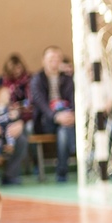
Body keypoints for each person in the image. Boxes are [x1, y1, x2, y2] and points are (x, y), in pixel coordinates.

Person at [28, 47, 75, 184]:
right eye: (51, 59)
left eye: (57, 59)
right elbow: (40, 103)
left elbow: (74, 98)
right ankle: (73, 151)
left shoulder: (68, 78)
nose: (54, 62)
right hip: (45, 121)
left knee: (64, 132)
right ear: (44, 61)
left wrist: (72, 115)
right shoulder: (36, 79)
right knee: (64, 128)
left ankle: (62, 172)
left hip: (66, 118)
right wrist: (56, 116)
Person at [0, 86, 24, 161]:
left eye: (8, 95)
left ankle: (10, 146)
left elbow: (15, 116)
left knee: (10, 133)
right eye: (5, 95)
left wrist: (16, 113)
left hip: (8, 126)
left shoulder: (9, 107)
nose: (7, 97)